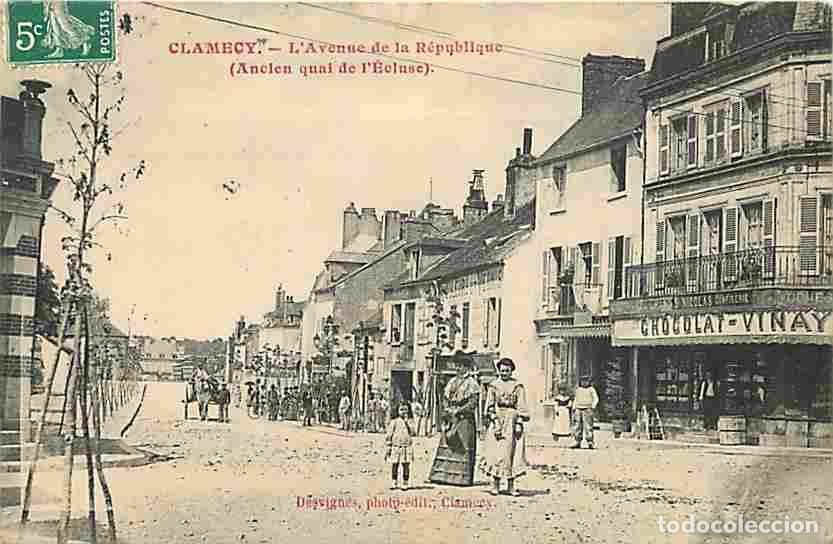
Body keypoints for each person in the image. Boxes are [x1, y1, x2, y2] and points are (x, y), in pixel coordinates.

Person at [479, 357, 529, 496]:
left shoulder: (518, 386)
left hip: (512, 419)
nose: (504, 373)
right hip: (498, 418)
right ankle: (495, 484)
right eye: (502, 370)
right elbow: (489, 406)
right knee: (496, 452)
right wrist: (494, 422)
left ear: (511, 371)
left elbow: (522, 405)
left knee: (511, 452)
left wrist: (519, 422)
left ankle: (511, 486)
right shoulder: (493, 385)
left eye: (507, 371)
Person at [428, 353, 480, 486]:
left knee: (462, 445)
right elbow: (445, 398)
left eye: (460, 366)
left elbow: (473, 402)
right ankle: (442, 476)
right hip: (451, 417)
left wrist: (459, 410)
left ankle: (462, 478)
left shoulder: (472, 383)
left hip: (464, 419)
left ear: (466, 368)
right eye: (456, 366)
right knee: (448, 443)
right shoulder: (452, 381)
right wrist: (447, 409)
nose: (458, 369)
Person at [385, 403, 415, 491]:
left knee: (406, 465)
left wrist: (407, 423)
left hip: (406, 446)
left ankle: (405, 482)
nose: (403, 412)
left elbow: (413, 432)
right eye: (401, 410)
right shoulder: (394, 421)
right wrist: (389, 446)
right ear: (398, 411)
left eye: (405, 410)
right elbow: (389, 434)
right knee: (395, 464)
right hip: (396, 446)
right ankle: (394, 481)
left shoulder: (410, 421)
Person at [572, 374, 599, 449]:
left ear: (589, 382)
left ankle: (590, 441)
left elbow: (595, 398)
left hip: (587, 409)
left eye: (586, 381)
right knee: (577, 425)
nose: (584, 383)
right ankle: (577, 440)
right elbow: (576, 398)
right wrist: (574, 407)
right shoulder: (578, 389)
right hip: (578, 408)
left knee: (588, 426)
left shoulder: (591, 389)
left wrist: (593, 406)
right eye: (583, 381)